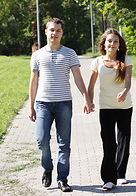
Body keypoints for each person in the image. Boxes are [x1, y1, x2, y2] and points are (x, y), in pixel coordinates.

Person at [29, 18, 93, 192]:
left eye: (58, 30)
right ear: (46, 31)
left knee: (64, 143)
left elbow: (78, 78)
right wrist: (31, 106)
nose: (54, 33)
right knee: (42, 140)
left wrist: (86, 98)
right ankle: (47, 169)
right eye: (51, 30)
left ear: (62, 33)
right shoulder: (37, 55)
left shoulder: (70, 53)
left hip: (64, 103)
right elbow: (33, 81)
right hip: (43, 104)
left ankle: (62, 179)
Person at [88, 28, 133, 190]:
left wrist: (124, 91)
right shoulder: (97, 62)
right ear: (104, 44)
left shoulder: (126, 60)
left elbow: (128, 81)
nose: (112, 44)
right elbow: (91, 86)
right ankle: (108, 178)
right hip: (105, 107)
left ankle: (121, 174)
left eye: (115, 41)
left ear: (119, 44)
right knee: (108, 142)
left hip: (124, 106)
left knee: (123, 141)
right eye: (109, 41)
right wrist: (89, 101)